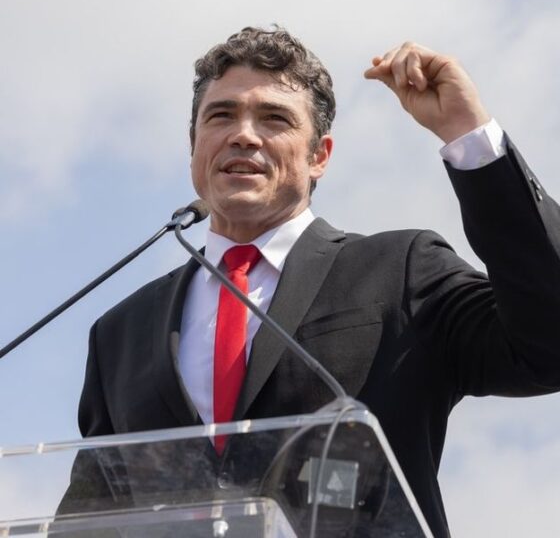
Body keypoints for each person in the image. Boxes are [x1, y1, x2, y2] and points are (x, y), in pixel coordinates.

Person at [76, 27, 560, 536]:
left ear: (319, 157)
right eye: (221, 115)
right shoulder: (120, 333)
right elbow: (87, 518)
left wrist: (468, 132)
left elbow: (548, 345)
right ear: (194, 146)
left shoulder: (400, 271)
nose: (243, 134)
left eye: (274, 118)